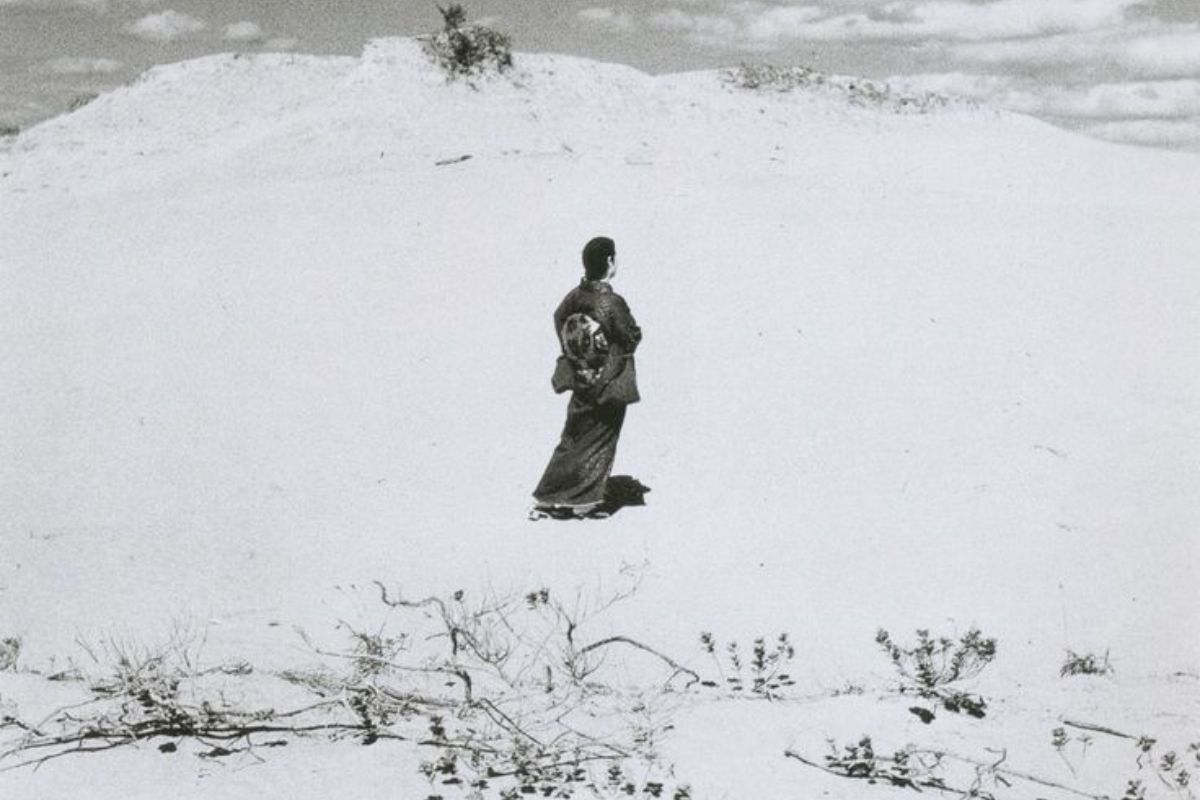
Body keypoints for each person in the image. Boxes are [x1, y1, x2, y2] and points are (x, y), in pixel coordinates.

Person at [531, 236, 642, 519]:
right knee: (601, 439)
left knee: (573, 436)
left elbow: (559, 318)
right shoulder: (611, 302)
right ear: (609, 261)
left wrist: (577, 352)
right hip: (608, 379)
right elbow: (630, 336)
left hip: (581, 375)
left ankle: (548, 498)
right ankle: (585, 502)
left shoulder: (574, 297)